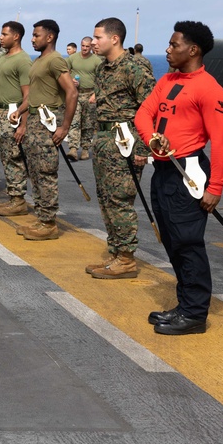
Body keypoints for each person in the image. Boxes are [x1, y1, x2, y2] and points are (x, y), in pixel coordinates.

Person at [136, 21, 223, 335]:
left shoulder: (209, 89)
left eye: (174, 45)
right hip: (163, 170)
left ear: (193, 50)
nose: (168, 49)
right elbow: (143, 114)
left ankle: (195, 315)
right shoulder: (167, 79)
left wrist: (215, 187)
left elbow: (222, 141)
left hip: (188, 171)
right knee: (173, 240)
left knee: (188, 243)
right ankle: (184, 305)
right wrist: (151, 139)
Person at [85, 17, 156, 279]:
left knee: (120, 200)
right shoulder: (103, 69)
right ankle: (115, 253)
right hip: (105, 141)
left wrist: (144, 148)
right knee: (106, 199)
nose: (93, 42)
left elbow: (152, 109)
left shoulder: (134, 68)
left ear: (114, 39)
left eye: (98, 37)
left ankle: (126, 260)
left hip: (126, 142)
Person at [13, 19, 78, 240]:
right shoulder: (39, 61)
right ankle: (41, 217)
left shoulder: (55, 60)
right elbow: (32, 95)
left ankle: (49, 223)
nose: (32, 39)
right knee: (35, 171)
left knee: (46, 172)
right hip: (34, 122)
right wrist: (20, 111)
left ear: (49, 37)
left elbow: (72, 92)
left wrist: (65, 127)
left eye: (36, 35)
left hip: (47, 123)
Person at [0, 21, 32, 216]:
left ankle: (19, 200)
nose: (1, 38)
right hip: (1, 114)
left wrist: (23, 125)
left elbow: (28, 95)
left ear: (16, 36)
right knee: (6, 157)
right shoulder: (4, 58)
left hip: (14, 115)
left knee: (14, 158)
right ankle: (13, 197)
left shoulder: (22, 60)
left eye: (5, 34)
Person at [66, 36, 101, 160]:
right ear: (80, 46)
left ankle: (85, 148)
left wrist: (95, 94)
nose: (85, 48)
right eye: (83, 46)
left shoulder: (97, 61)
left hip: (90, 94)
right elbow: (64, 72)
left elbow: (101, 79)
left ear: (91, 47)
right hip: (75, 94)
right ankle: (73, 149)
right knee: (74, 121)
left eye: (88, 46)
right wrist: (70, 80)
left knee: (88, 123)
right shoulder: (72, 58)